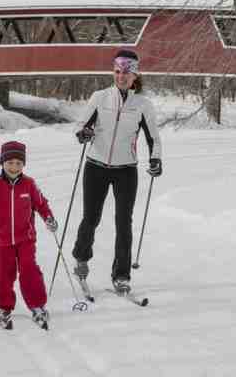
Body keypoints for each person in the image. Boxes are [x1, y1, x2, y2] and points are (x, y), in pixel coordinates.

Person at [71, 48, 163, 294]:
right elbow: (82, 126)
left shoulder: (143, 104)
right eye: (117, 72)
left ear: (135, 75)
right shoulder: (99, 97)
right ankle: (81, 257)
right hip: (96, 166)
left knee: (124, 222)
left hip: (126, 170)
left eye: (126, 72)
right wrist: (84, 134)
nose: (121, 76)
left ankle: (121, 274)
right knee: (91, 217)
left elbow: (153, 137)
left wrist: (156, 160)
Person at [0, 140, 58, 330]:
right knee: (4, 273)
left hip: (25, 238)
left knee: (29, 270)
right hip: (2, 241)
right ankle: (2, 307)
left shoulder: (29, 184)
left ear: (23, 165)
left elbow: (41, 204)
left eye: (18, 163)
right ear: (2, 162)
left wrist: (49, 218)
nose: (14, 167)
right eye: (10, 163)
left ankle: (37, 305)